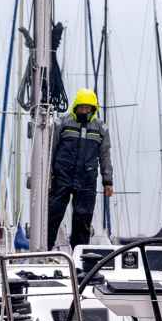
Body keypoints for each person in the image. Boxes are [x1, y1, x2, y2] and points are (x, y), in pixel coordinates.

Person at [46, 88, 113, 249]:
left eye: (88, 108)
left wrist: (108, 181)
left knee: (83, 219)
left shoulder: (101, 128)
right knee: (53, 215)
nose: (85, 110)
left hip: (87, 180)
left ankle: (79, 257)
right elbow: (50, 151)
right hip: (62, 176)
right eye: (82, 107)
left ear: (93, 109)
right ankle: (44, 250)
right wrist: (48, 176)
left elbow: (105, 156)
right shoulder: (62, 123)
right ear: (76, 106)